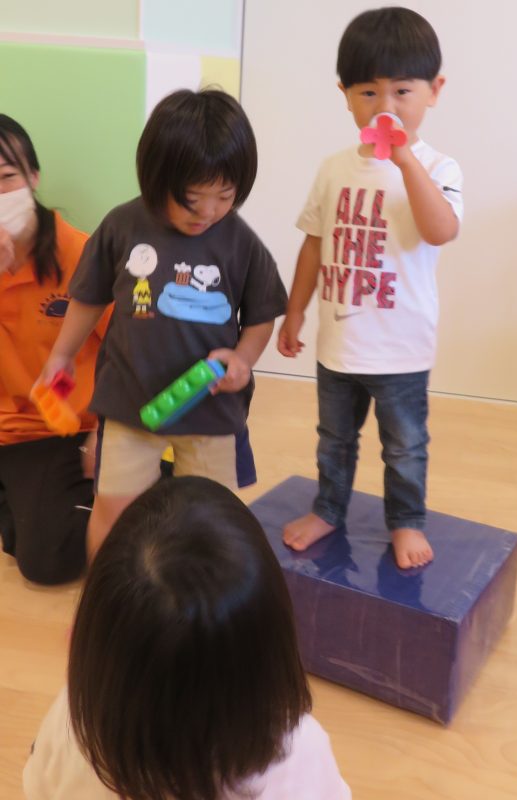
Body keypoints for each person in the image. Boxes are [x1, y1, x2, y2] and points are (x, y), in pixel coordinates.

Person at [39, 89, 287, 559]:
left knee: (211, 517)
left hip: (210, 409)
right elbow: (88, 297)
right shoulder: (122, 227)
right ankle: (104, 596)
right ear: (157, 179)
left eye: (224, 197)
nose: (208, 212)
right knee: (113, 509)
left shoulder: (242, 243)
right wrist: (62, 354)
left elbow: (261, 316)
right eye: (192, 199)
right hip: (129, 401)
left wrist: (243, 359)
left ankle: (203, 596)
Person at [23, 476, 351, 800]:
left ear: (91, 639)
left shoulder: (73, 722)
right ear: (274, 646)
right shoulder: (299, 753)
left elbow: (38, 786)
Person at [277, 8, 464, 569]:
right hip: (339, 346)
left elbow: (441, 229)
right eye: (368, 92)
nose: (385, 106)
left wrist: (405, 163)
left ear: (434, 91)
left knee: (404, 445)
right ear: (345, 96)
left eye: (402, 91)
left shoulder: (438, 167)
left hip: (401, 348)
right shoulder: (334, 168)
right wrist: (294, 312)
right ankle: (328, 508)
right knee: (334, 438)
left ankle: (406, 520)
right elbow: (314, 244)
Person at [0, 114, 106, 585]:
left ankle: (140, 487)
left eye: (6, 177)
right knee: (24, 532)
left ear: (34, 178)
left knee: (47, 560)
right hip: (7, 426)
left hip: (54, 427)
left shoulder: (82, 254)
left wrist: (107, 431)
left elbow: (129, 348)